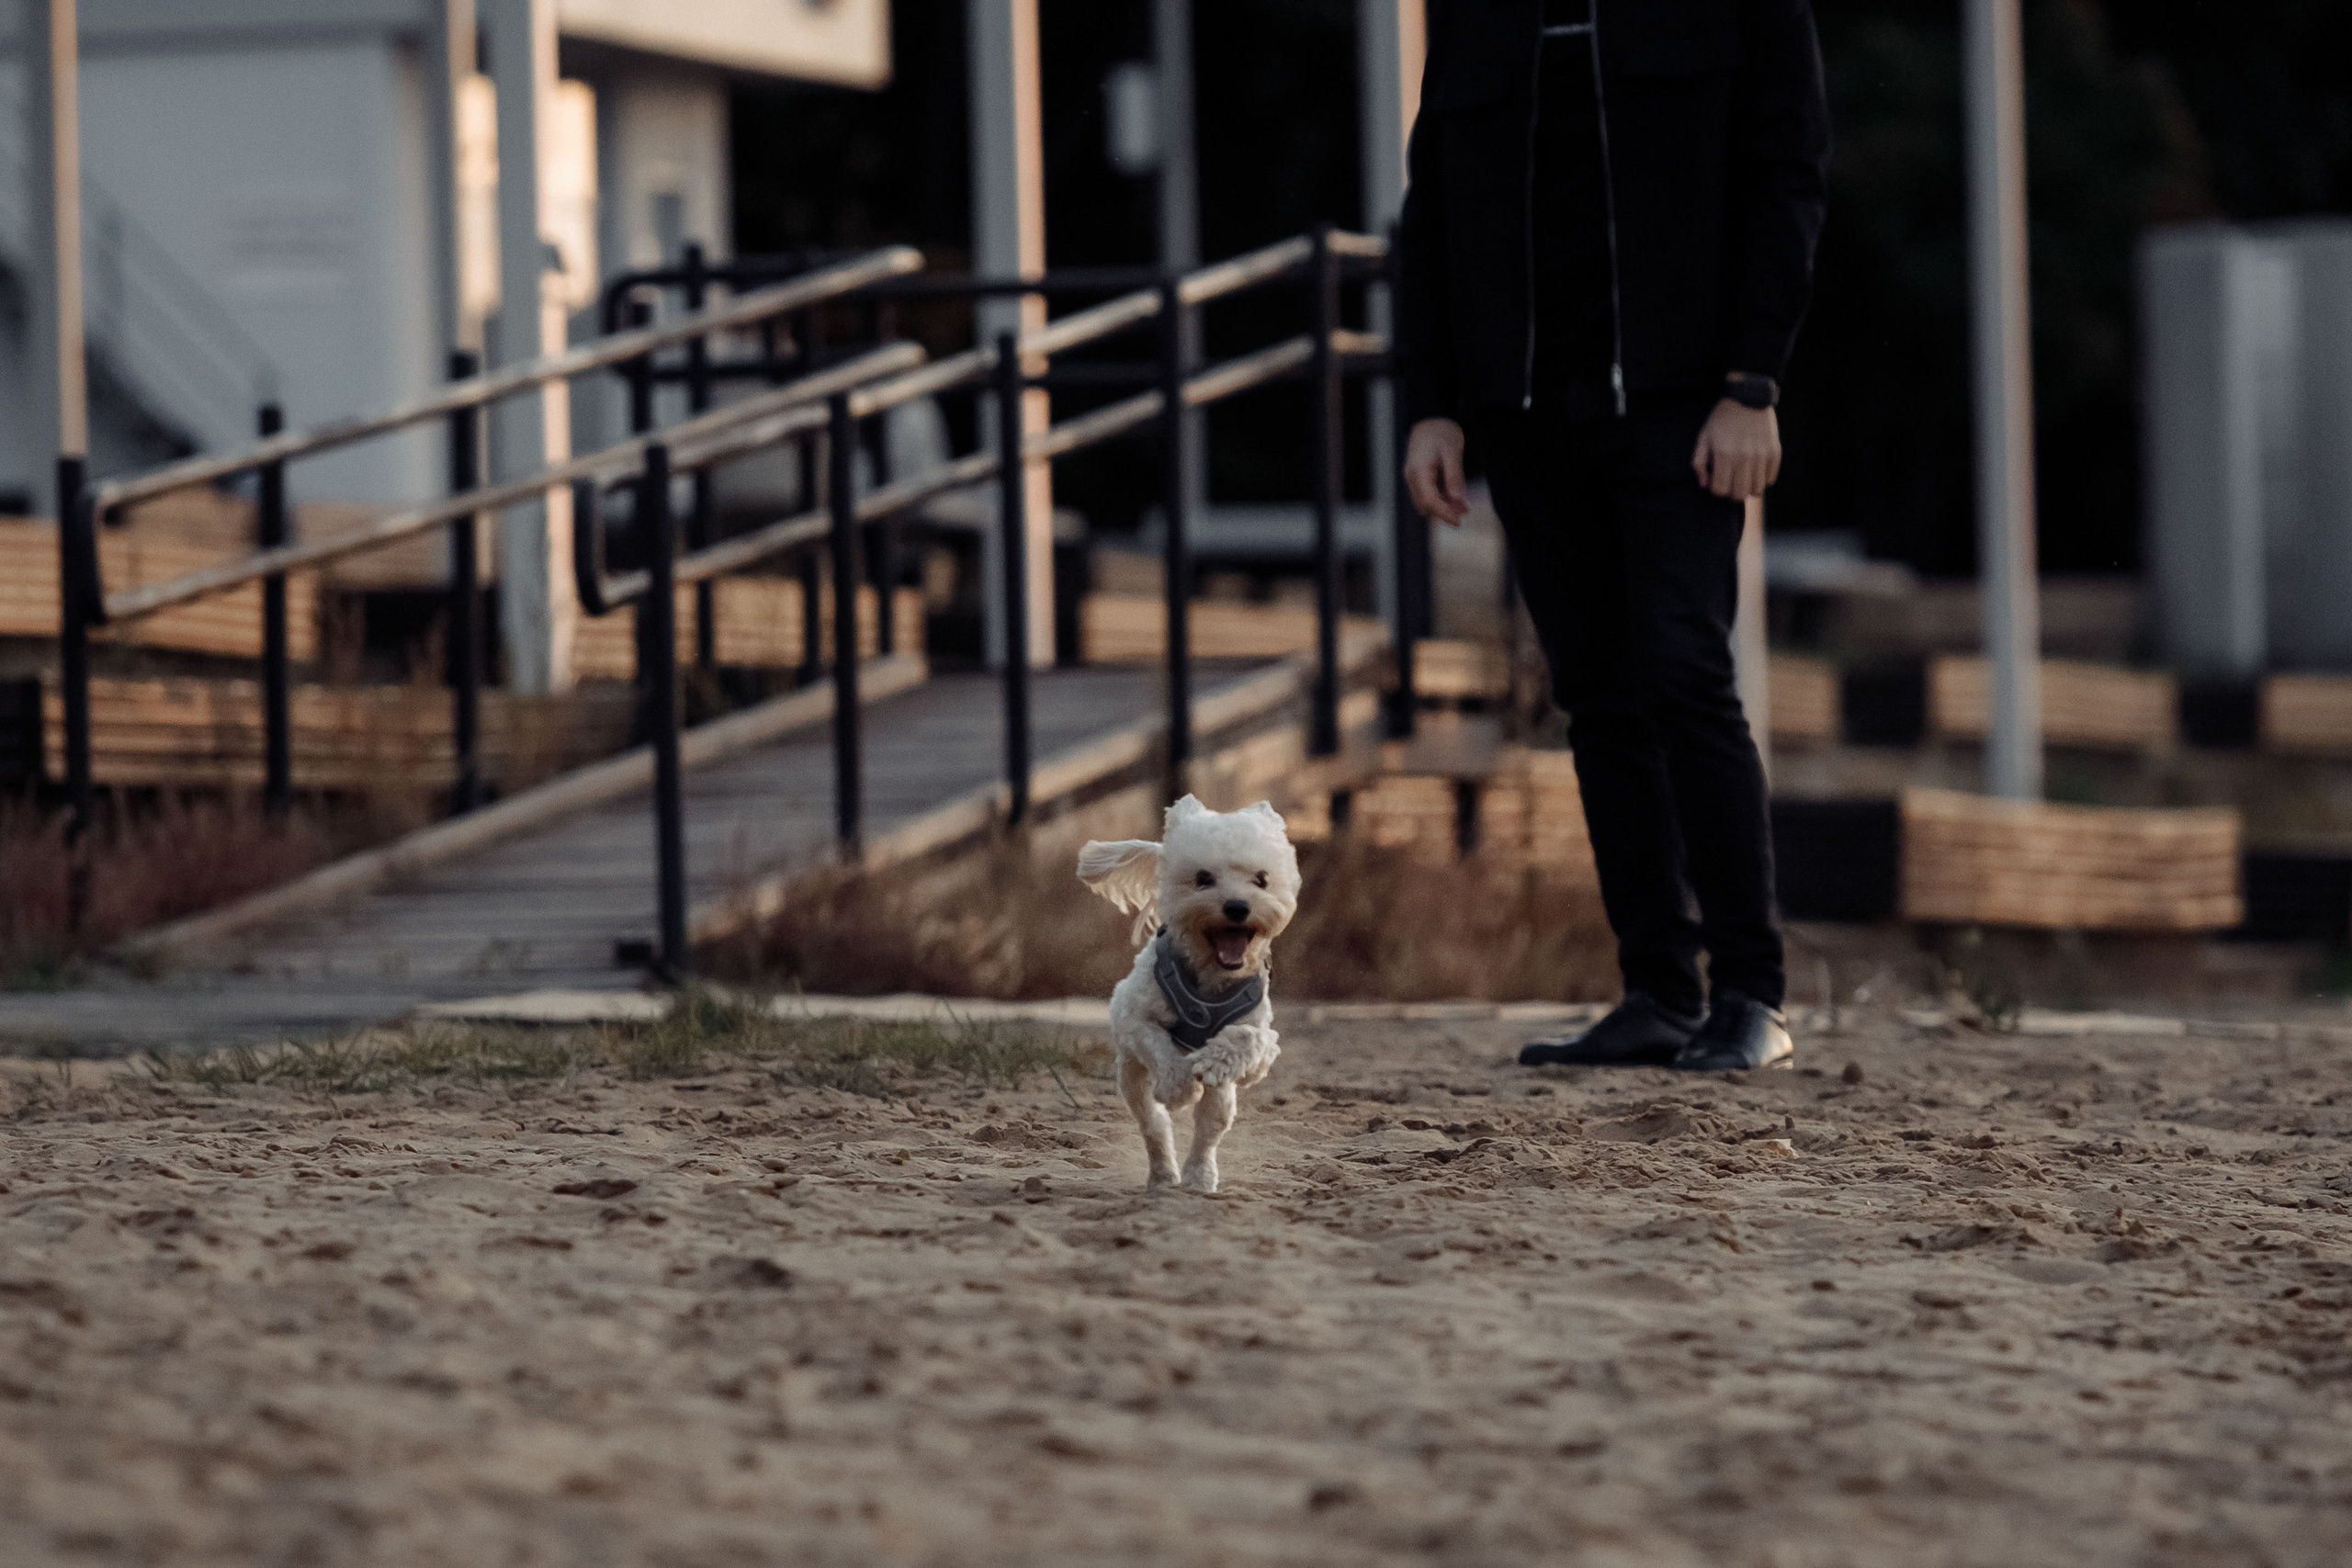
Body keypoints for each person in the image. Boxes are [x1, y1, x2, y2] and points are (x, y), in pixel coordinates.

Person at [1396, 0, 1830, 1071]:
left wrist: (1753, 383)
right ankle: (1658, 991)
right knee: (1595, 692)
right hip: (1526, 412)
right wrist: (1433, 404)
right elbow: (1433, 213)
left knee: (1683, 668)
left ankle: (1752, 995)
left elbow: (1786, 177)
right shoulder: (1474, 14)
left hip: (1682, 405)